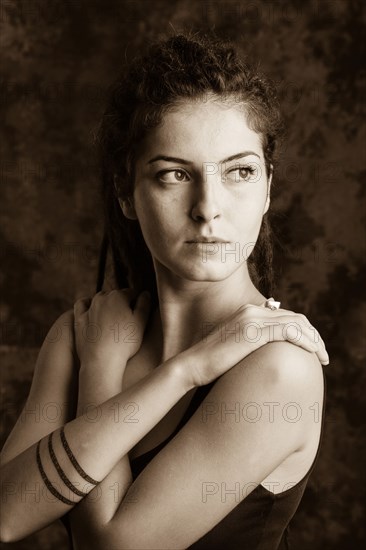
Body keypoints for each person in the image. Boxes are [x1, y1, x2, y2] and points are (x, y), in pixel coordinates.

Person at [0, 32, 329, 549]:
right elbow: (5, 514)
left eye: (239, 171)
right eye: (174, 174)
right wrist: (144, 364)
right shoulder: (85, 332)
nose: (208, 208)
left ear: (269, 187)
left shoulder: (279, 369)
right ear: (126, 193)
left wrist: (111, 372)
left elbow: (112, 546)